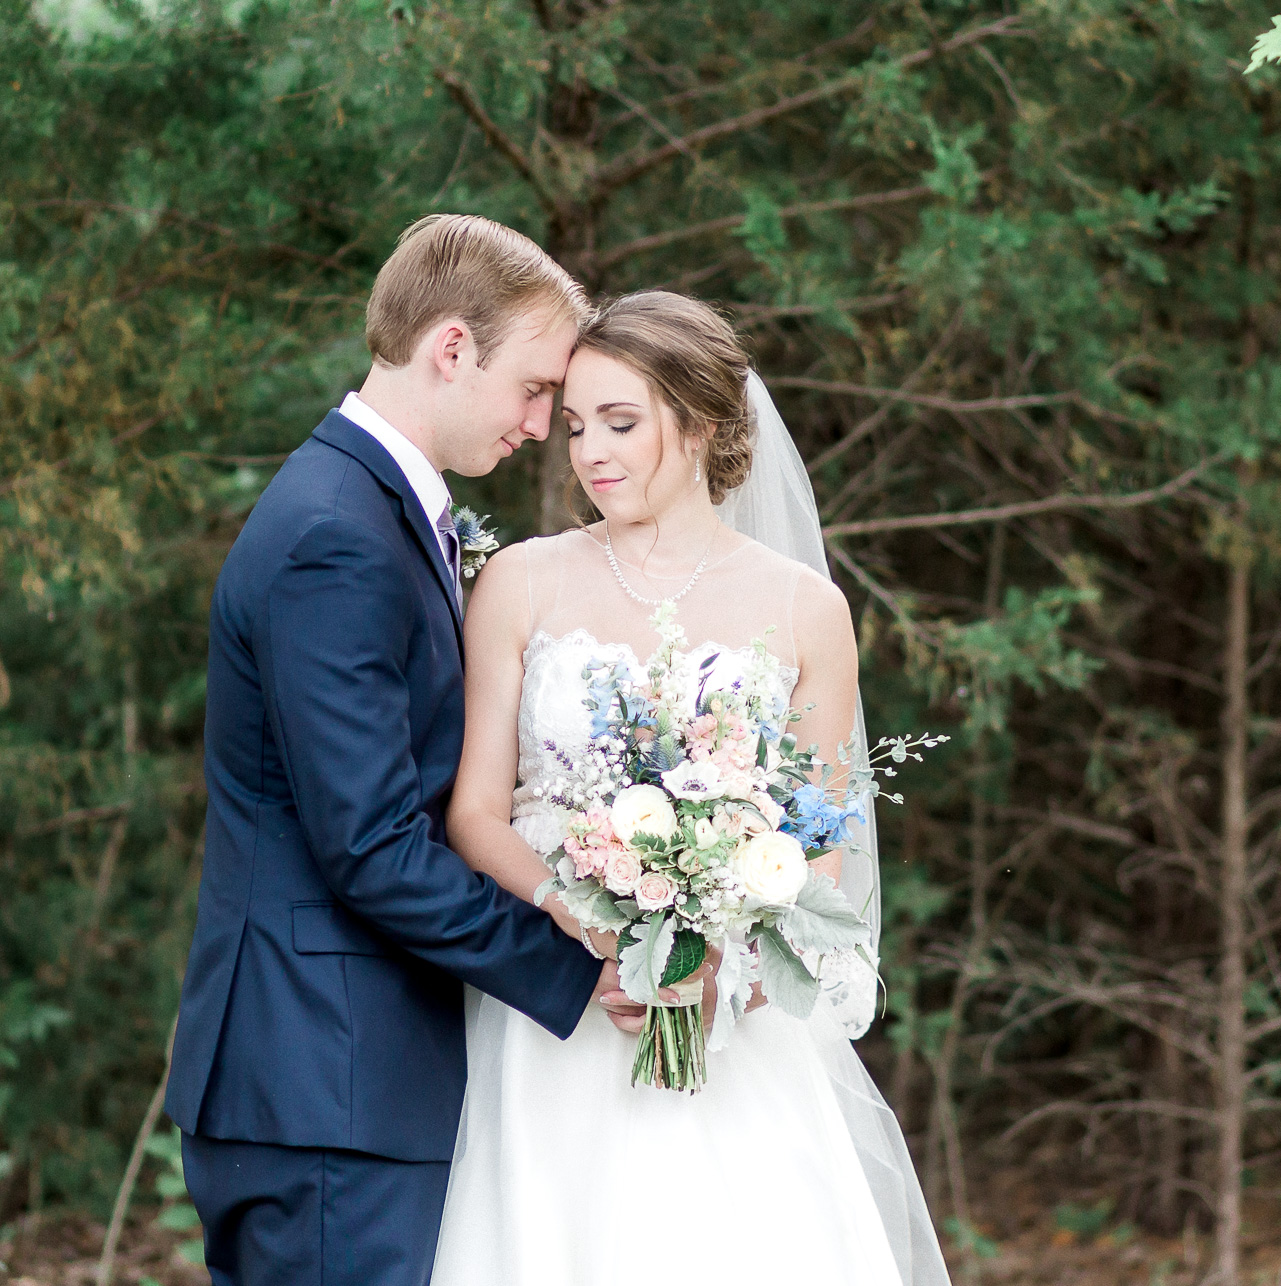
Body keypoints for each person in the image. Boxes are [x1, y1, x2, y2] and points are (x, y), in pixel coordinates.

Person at [431, 291, 952, 1285]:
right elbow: (473, 813)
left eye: (620, 422)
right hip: (560, 1017)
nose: (589, 452)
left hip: (733, 1032)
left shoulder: (806, 608)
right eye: (576, 426)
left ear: (701, 424)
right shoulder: (521, 582)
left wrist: (725, 970)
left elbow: (821, 841)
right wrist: (580, 921)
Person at [165, 215, 634, 1286]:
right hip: (324, 1080)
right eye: (531, 389)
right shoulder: (335, 533)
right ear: (453, 347)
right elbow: (372, 842)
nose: (537, 424)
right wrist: (577, 961)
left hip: (349, 1074)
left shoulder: (374, 511)